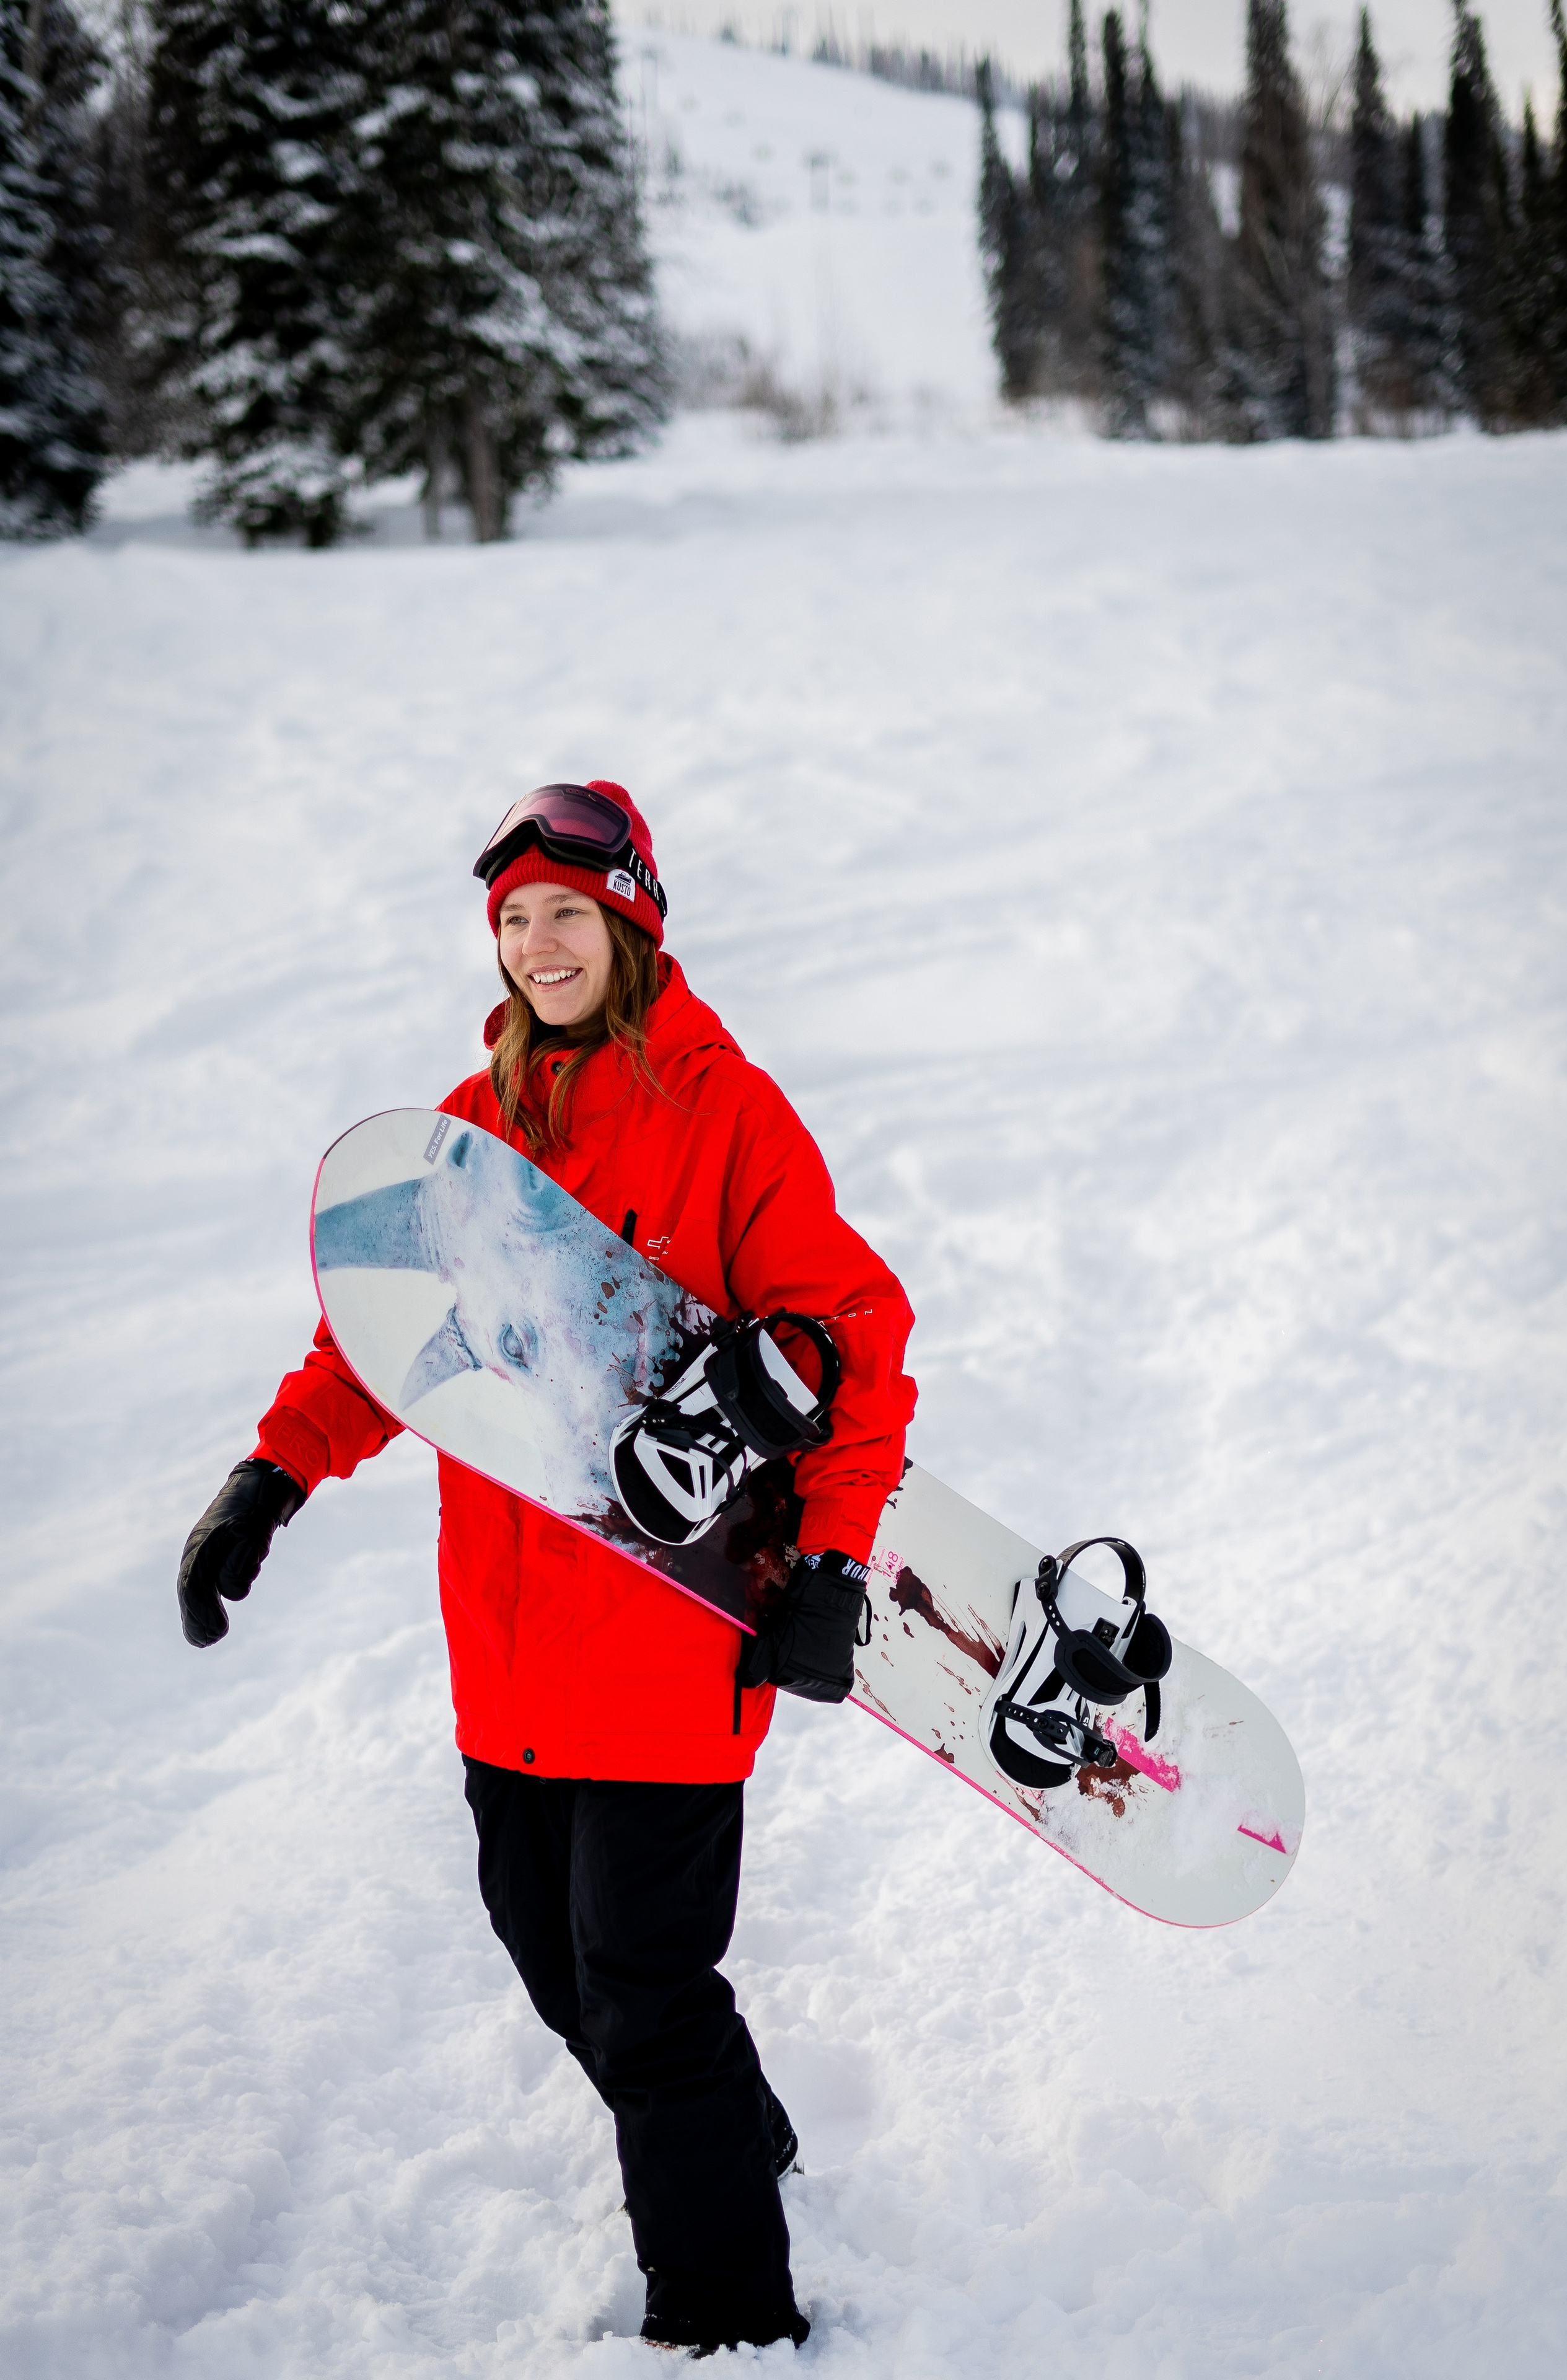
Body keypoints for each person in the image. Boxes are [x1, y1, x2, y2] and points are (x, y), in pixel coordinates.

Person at [176, 781, 917, 2356]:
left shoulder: (728, 1110)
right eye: (511, 920)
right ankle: (737, 2137)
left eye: (565, 914)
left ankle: (725, 2318)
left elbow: (857, 1340)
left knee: (643, 1989)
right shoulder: (473, 1123)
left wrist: (835, 1565)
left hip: (664, 1643)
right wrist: (269, 1477)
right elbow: (378, 1345)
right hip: (508, 1653)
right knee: (550, 1954)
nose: (534, 944)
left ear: (630, 922)